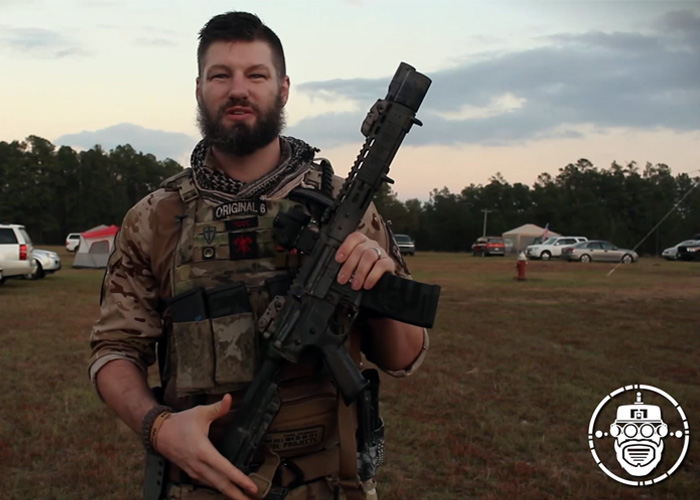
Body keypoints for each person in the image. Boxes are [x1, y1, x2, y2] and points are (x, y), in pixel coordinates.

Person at [88, 11, 429, 500]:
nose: (238, 90)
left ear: (283, 88)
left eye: (256, 75)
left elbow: (402, 357)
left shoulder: (345, 205)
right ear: (199, 89)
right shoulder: (155, 218)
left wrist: (378, 276)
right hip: (203, 486)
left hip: (331, 486)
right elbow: (115, 350)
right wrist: (158, 428)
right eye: (220, 76)